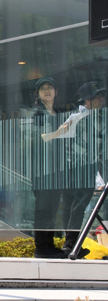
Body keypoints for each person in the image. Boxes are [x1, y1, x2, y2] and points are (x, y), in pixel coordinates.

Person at [58, 81, 106, 257]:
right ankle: (71, 245)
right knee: (76, 207)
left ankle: (71, 245)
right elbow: (93, 150)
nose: (102, 99)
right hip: (80, 171)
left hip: (75, 171)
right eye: (98, 96)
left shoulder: (80, 118)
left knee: (73, 207)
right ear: (88, 99)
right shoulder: (82, 119)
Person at [29, 77, 66, 258]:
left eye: (50, 87)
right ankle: (41, 248)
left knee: (52, 209)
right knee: (43, 209)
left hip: (57, 168)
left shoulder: (58, 112)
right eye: (42, 88)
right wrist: (60, 132)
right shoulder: (36, 113)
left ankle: (49, 245)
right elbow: (40, 138)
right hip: (42, 169)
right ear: (38, 94)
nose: (47, 90)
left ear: (55, 91)